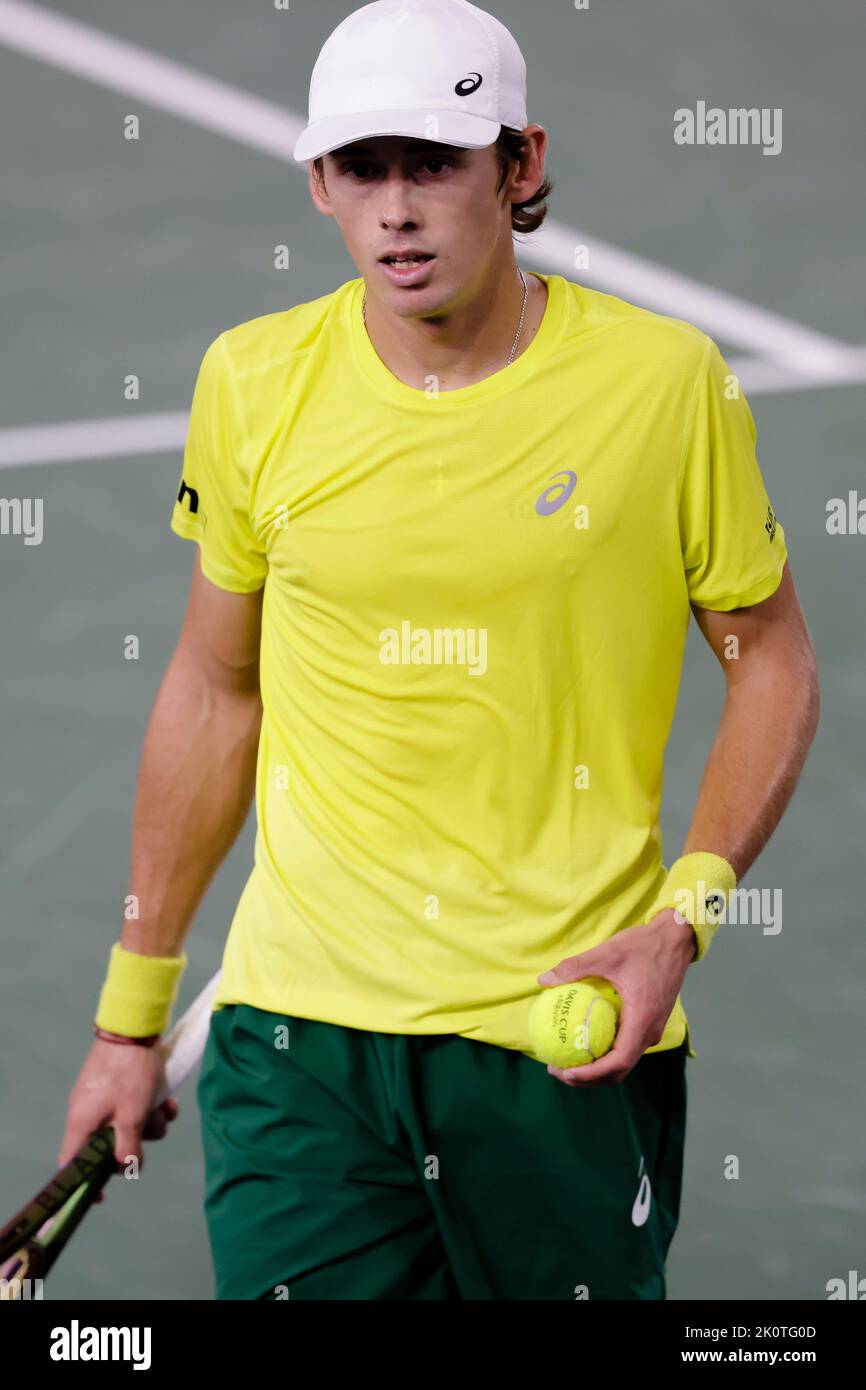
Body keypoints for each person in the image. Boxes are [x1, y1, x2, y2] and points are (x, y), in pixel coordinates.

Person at [60, 0, 819, 1300]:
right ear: (318, 182)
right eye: (363, 169)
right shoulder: (252, 383)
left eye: (433, 165)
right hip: (299, 1041)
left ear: (518, 167)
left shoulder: (663, 385)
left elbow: (771, 659)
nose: (396, 210)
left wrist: (681, 920)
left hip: (557, 1040)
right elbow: (213, 685)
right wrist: (131, 1014)